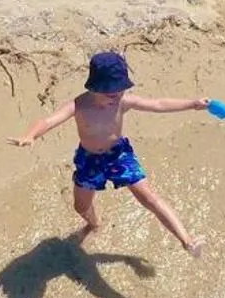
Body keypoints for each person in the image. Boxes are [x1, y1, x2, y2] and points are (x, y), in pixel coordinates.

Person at [11, 51, 209, 258]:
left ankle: (187, 240)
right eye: (110, 94)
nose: (116, 98)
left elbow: (158, 104)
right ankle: (94, 224)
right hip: (89, 160)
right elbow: (48, 121)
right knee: (80, 206)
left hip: (118, 155)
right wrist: (30, 135)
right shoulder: (79, 105)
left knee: (148, 196)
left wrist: (192, 104)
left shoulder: (123, 101)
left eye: (120, 92)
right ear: (94, 87)